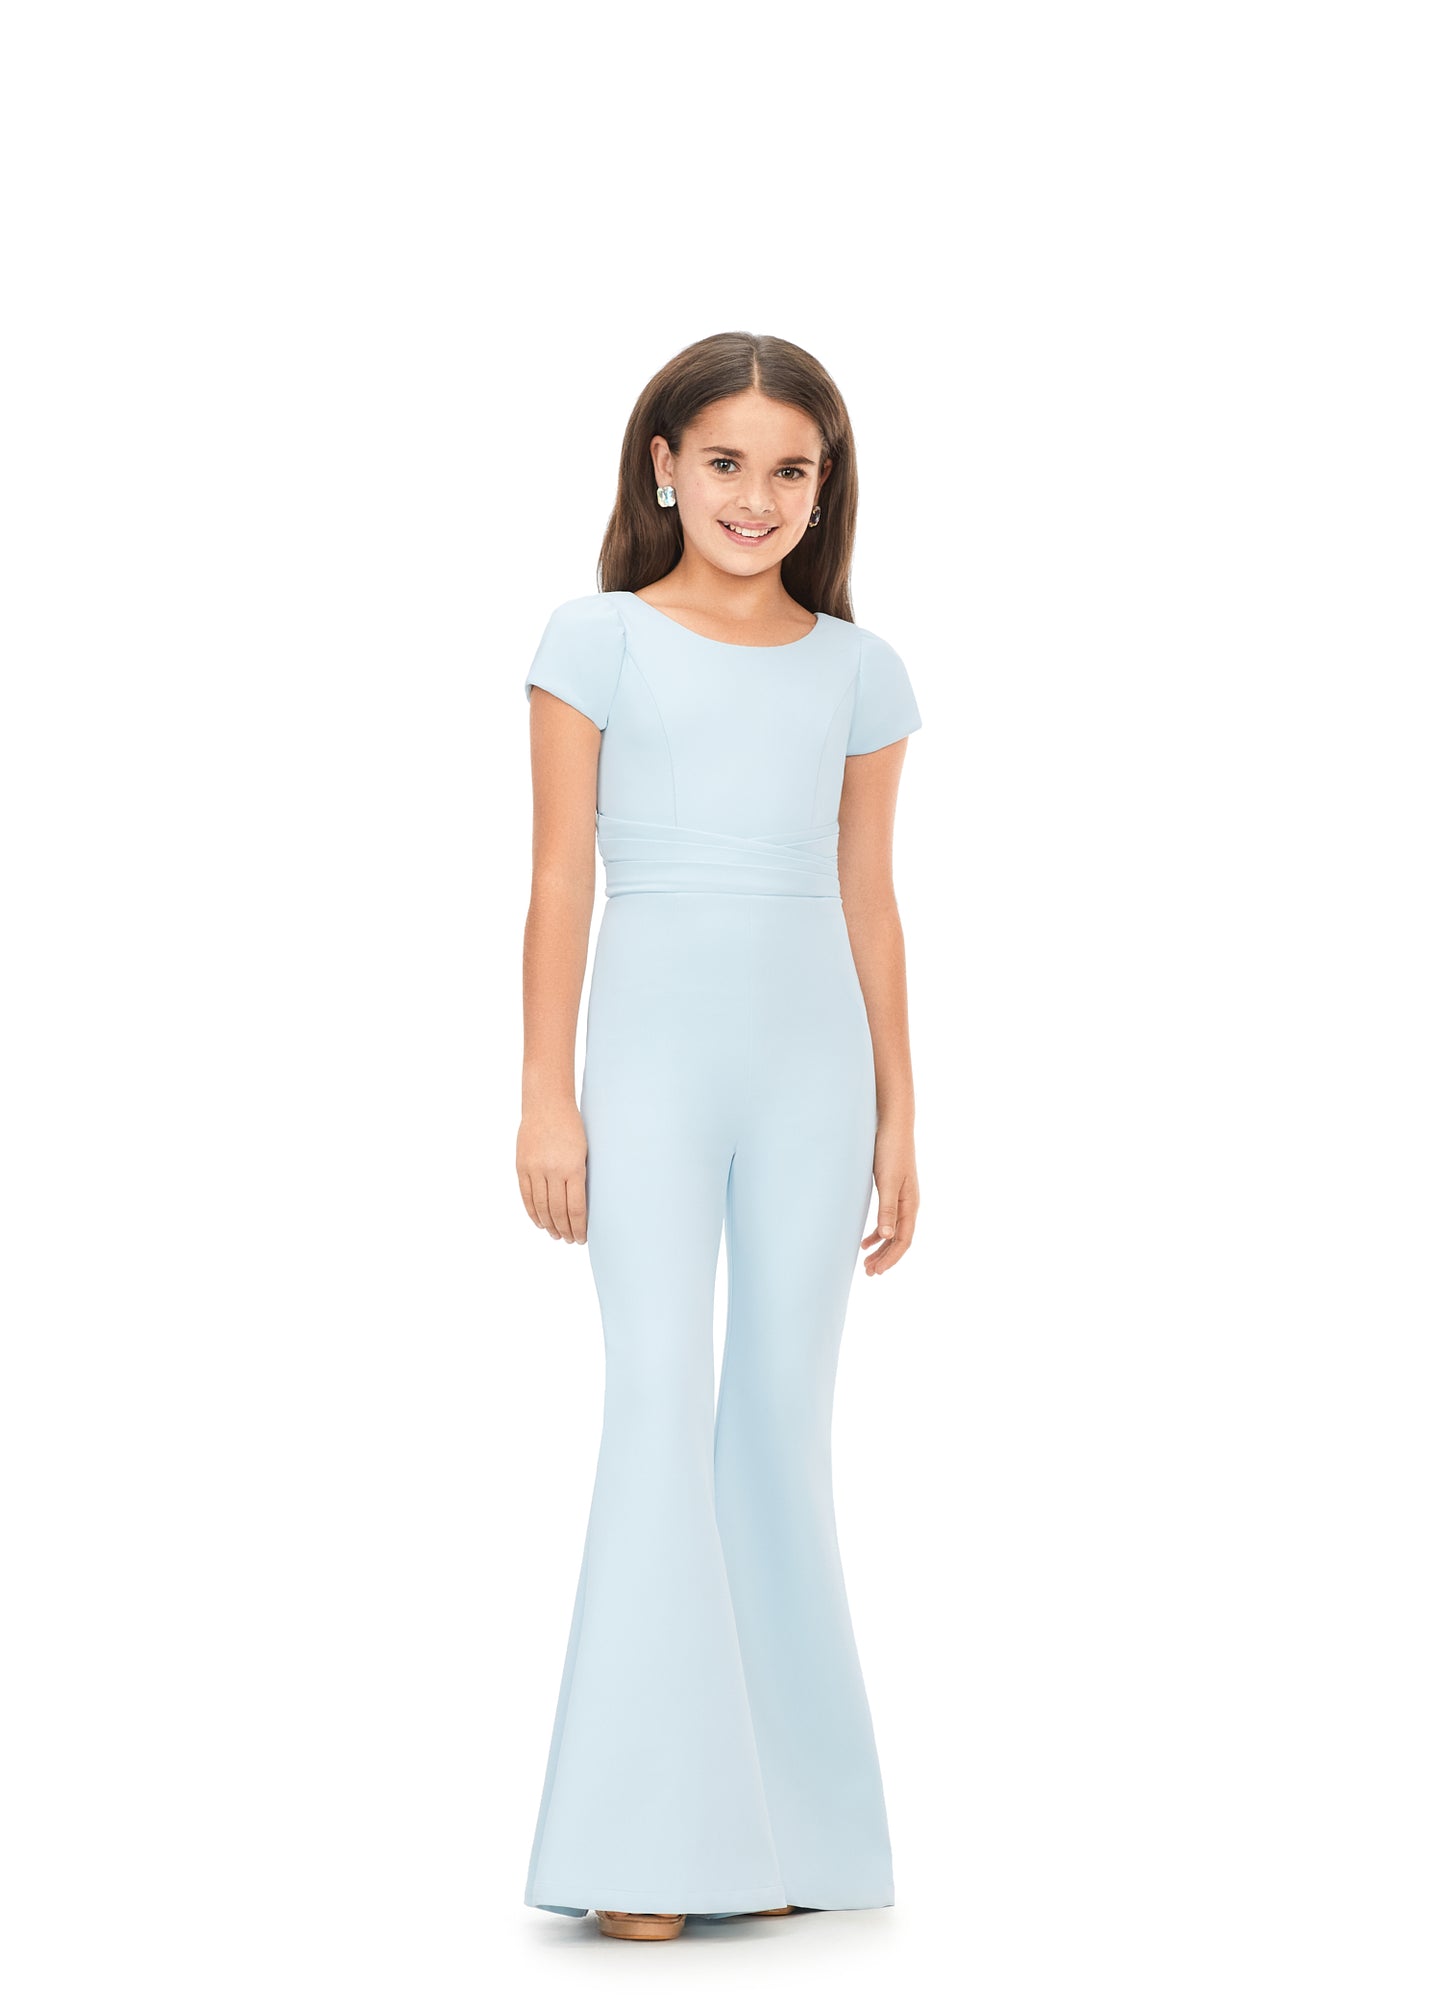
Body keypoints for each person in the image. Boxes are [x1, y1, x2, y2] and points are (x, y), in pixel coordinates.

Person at [517, 330, 923, 1942]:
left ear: (824, 486)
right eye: (727, 460)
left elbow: (869, 901)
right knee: (653, 1402)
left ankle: (796, 1825)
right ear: (663, 467)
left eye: (791, 467)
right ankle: (646, 1847)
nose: (757, 495)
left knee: (775, 1421)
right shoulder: (596, 640)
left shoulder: (858, 669)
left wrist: (902, 1112)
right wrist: (545, 1091)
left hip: (814, 1074)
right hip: (650, 1070)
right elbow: (558, 877)